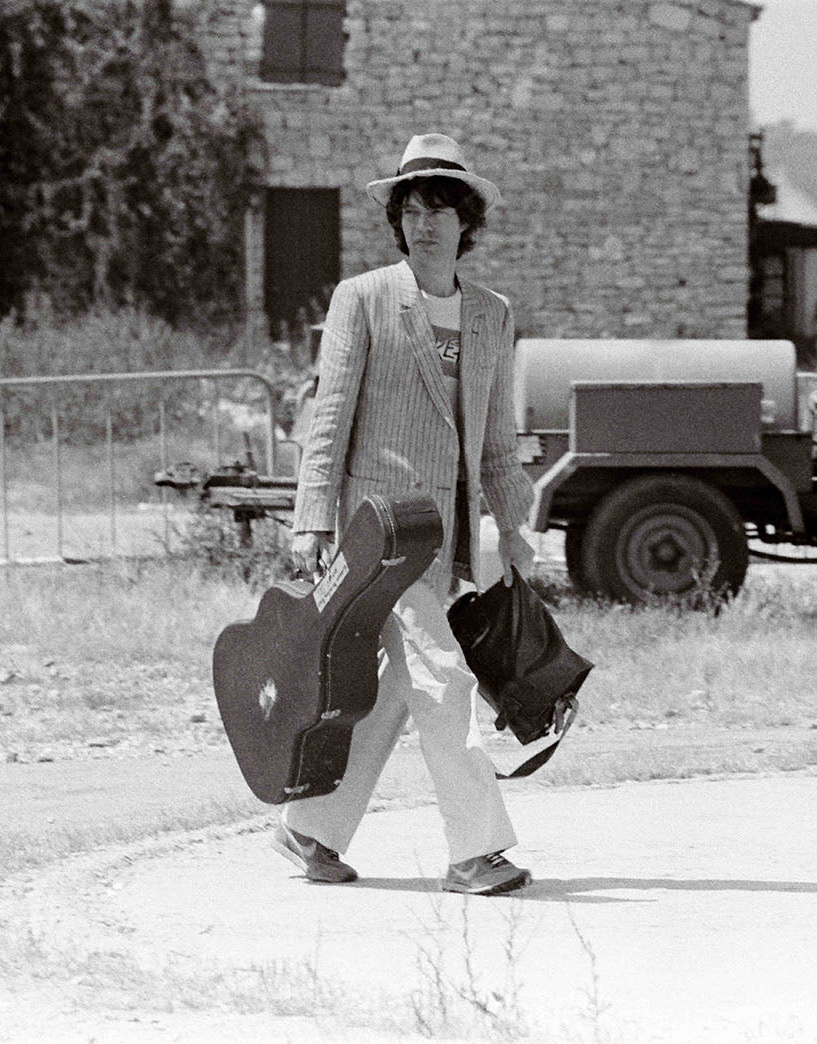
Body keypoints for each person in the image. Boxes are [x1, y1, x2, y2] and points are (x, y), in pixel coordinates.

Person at [274, 133, 537, 896]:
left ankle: (309, 831)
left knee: (392, 691)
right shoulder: (361, 298)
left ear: (467, 222)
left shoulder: (491, 315)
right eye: (412, 210)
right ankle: (474, 852)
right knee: (442, 677)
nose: (424, 224)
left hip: (445, 538)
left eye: (440, 210)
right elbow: (330, 416)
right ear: (398, 223)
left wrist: (514, 528)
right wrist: (310, 520)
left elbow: (493, 439)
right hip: (375, 531)